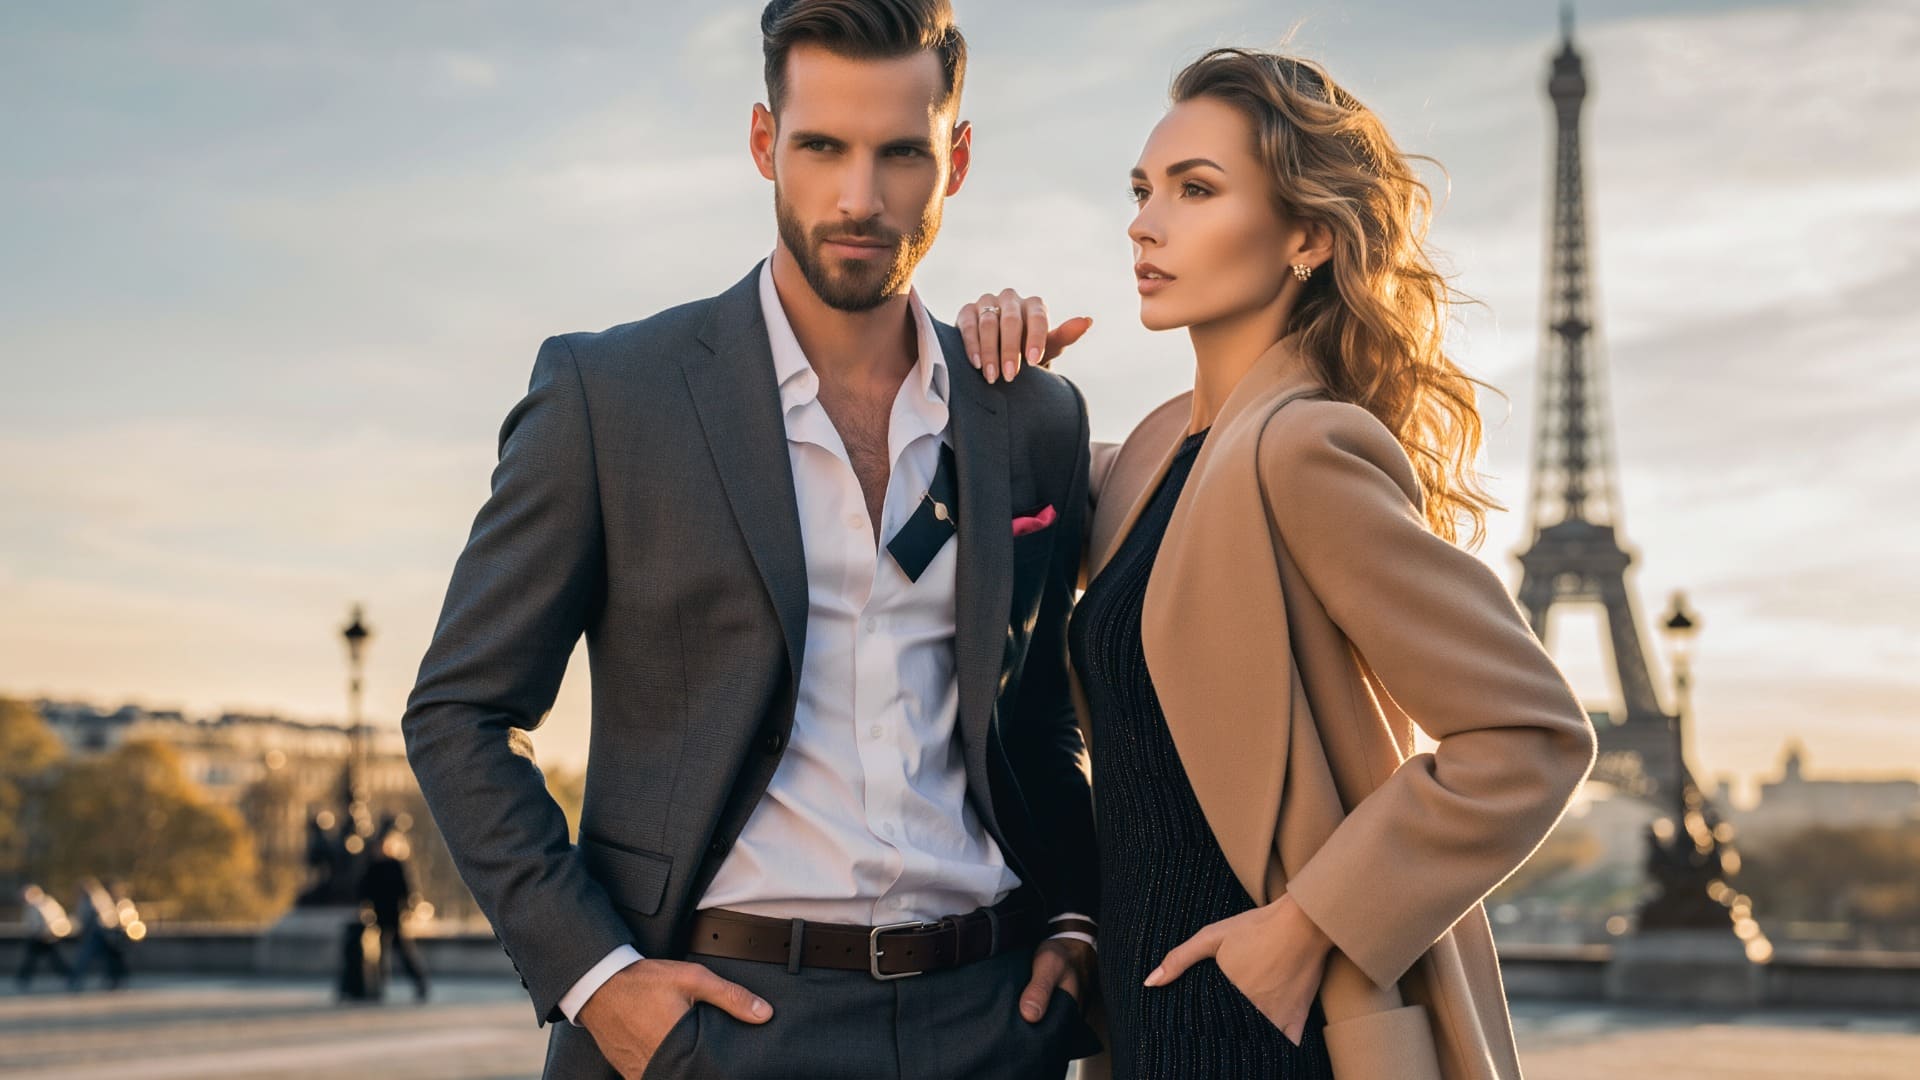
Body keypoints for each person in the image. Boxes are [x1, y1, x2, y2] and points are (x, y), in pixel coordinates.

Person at [401, 2, 1100, 1077]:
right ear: (766, 142)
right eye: (822, 147)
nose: (859, 198)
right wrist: (600, 981)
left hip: (991, 1020)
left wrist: (1075, 919)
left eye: (901, 154)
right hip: (716, 1027)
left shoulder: (1031, 416)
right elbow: (461, 712)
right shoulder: (611, 398)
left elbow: (1039, 712)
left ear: (955, 161)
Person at [958, 47, 1598, 1080]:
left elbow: (1531, 733)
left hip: (1273, 1035)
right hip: (1150, 1024)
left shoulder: (1305, 447)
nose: (1144, 222)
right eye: (1142, 189)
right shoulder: (1156, 455)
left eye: (1195, 190)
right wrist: (997, 372)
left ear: (1305, 235)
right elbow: (982, 509)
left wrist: (1304, 930)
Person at [356, 832, 431, 1002]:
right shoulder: (374, 867)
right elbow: (364, 891)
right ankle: (379, 985)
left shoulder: (392, 865)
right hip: (380, 915)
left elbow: (405, 889)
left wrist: (407, 908)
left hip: (392, 914)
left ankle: (417, 982)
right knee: (383, 953)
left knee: (400, 950)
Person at [67, 877, 131, 991]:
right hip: (102, 933)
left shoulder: (95, 897)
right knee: (106, 958)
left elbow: (93, 916)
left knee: (86, 957)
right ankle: (113, 980)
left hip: (99, 933)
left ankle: (76, 980)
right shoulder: (93, 897)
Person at [14, 884, 74, 990]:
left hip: (44, 937)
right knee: (38, 960)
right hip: (41, 936)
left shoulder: (42, 904)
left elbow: (45, 921)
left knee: (44, 960)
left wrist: (40, 931)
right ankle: (69, 977)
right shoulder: (40, 904)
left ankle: (70, 977)